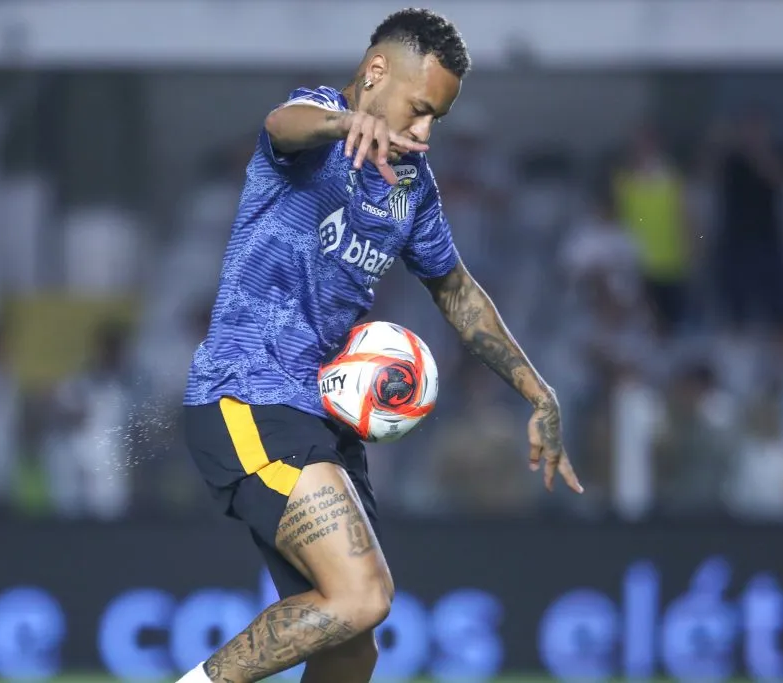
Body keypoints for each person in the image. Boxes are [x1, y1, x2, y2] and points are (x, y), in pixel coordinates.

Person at [179, 9, 583, 683]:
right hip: (249, 393)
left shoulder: (412, 186)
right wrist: (343, 124)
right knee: (362, 596)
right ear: (375, 73)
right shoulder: (316, 124)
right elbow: (282, 125)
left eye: (437, 120)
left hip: (323, 418)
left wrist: (537, 391)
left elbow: (456, 289)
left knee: (353, 642)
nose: (425, 132)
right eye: (419, 110)